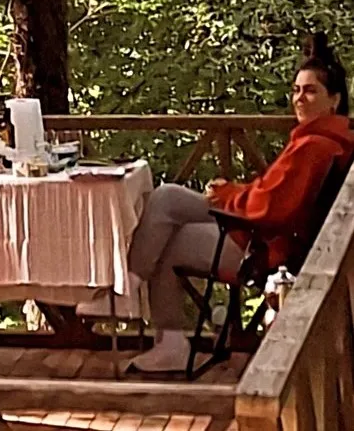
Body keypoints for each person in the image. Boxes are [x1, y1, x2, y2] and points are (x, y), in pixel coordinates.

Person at [77, 32, 354, 371]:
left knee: (169, 236)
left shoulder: (316, 146)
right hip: (256, 228)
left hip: (259, 245)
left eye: (310, 91)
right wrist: (234, 191)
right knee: (166, 199)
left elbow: (273, 208)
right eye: (296, 90)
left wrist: (228, 195)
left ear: (334, 100)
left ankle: (161, 332)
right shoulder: (322, 139)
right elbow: (274, 194)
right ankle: (139, 302)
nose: (299, 98)